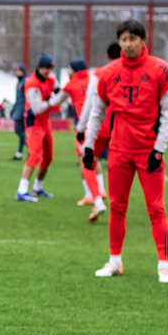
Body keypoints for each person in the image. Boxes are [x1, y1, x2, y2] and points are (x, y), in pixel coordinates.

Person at [83, 19, 168, 283]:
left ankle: (164, 265)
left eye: (132, 39)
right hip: (119, 151)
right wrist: (89, 146)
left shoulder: (161, 70)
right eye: (123, 39)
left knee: (156, 208)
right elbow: (97, 112)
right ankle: (115, 262)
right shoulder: (108, 73)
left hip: (148, 151)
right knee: (117, 207)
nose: (127, 44)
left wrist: (159, 149)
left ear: (143, 40)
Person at [77, 42, 122, 222]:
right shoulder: (133, 73)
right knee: (119, 166)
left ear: (108, 56)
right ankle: (117, 205)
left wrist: (81, 128)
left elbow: (90, 101)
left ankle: (97, 199)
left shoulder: (100, 73)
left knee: (87, 161)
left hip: (101, 124)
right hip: (122, 127)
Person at [15, 53, 66, 202]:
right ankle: (22, 190)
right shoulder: (31, 83)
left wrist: (61, 96)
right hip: (34, 122)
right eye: (45, 69)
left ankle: (37, 187)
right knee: (35, 155)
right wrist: (53, 102)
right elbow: (37, 108)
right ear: (39, 67)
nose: (48, 72)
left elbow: (59, 91)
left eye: (49, 69)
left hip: (45, 122)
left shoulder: (51, 79)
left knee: (49, 157)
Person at [62, 58, 108, 221]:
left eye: (68, 68)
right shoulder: (92, 78)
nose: (67, 71)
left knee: (84, 160)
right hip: (101, 123)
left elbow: (57, 101)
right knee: (95, 159)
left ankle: (91, 196)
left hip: (85, 125)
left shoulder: (70, 84)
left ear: (74, 70)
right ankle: (101, 190)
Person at [10, 63, 28, 160]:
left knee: (19, 131)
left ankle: (30, 149)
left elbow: (26, 98)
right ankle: (20, 153)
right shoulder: (20, 82)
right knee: (21, 132)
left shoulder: (25, 82)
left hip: (22, 110)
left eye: (19, 71)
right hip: (19, 109)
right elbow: (18, 98)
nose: (17, 73)